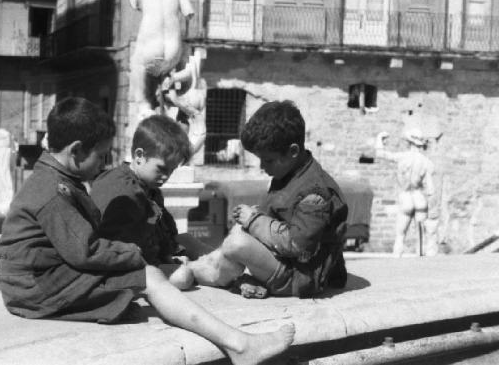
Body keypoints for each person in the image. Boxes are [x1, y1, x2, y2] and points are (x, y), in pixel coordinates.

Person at [0, 98, 293, 364]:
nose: (105, 162)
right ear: (76, 151)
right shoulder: (52, 192)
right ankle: (240, 345)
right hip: (35, 289)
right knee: (149, 277)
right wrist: (133, 255)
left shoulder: (55, 179)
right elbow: (85, 252)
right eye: (101, 155)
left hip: (40, 277)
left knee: (150, 275)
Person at [197, 100, 349, 299]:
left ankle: (209, 274)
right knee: (234, 236)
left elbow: (297, 245)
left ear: (293, 151)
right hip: (283, 263)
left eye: (267, 160)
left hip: (302, 277)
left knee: (237, 244)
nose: (262, 167)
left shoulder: (315, 194)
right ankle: (210, 269)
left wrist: (253, 221)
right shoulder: (287, 174)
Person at [91, 115, 226, 289]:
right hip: (129, 266)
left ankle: (217, 262)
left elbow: (166, 233)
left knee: (187, 239)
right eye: (161, 169)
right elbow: (116, 246)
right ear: (139, 155)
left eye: (171, 170)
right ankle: (212, 269)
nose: (166, 177)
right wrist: (167, 260)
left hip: (156, 255)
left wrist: (172, 252)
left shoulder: (151, 188)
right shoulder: (120, 190)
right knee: (183, 276)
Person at [375, 128, 436, 257]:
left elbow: (381, 154)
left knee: (400, 234)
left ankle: (397, 255)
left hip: (406, 196)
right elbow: (430, 189)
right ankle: (421, 257)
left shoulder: (402, 157)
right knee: (421, 234)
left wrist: (379, 139)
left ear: (409, 142)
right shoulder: (426, 162)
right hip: (419, 197)